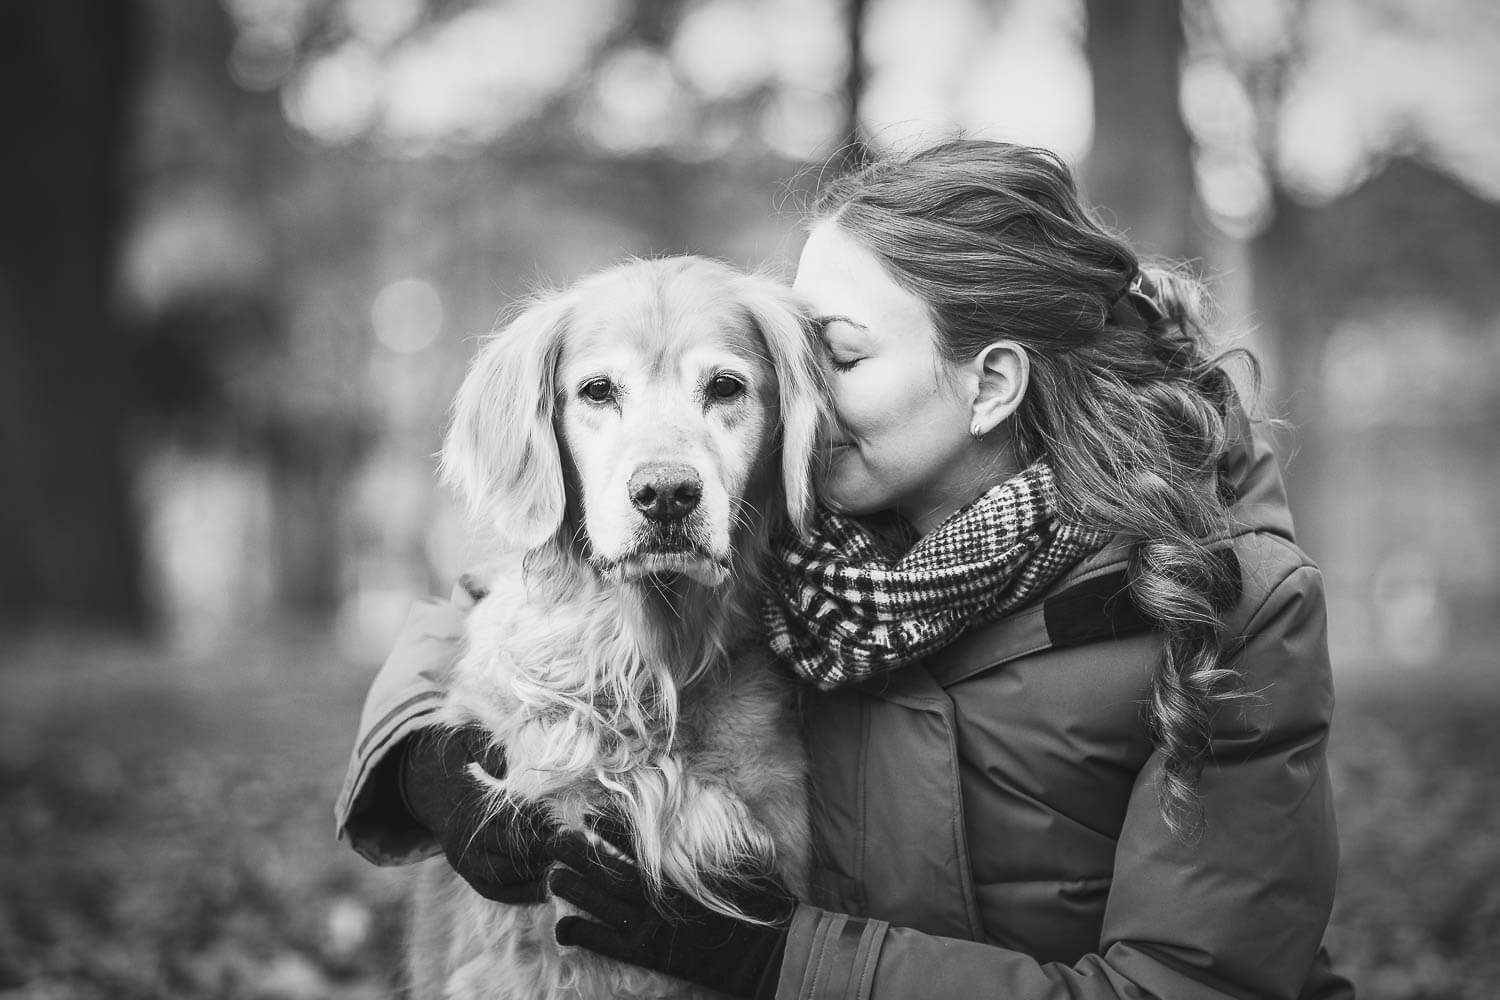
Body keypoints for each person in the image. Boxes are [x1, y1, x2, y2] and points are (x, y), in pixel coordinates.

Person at [335, 140, 1354, 1000]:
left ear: (990, 382)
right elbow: (514, 599)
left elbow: (1182, 983)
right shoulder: (808, 543)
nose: (799, 395)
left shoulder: (1225, 608)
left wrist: (787, 960)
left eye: (839, 357)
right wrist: (421, 758)